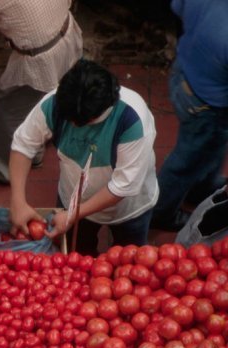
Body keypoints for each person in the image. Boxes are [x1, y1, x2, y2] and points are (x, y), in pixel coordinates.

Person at [9, 59, 159, 257]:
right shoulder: (57, 102)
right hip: (72, 196)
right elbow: (23, 144)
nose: (72, 125)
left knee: (128, 262)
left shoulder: (132, 120)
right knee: (79, 257)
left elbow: (123, 185)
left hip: (129, 208)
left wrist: (73, 214)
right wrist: (17, 200)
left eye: (80, 122)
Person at [0, 0, 82, 184]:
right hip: (65, 33)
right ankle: (34, 153)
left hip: (39, 59)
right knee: (43, 100)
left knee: (11, 110)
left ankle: (6, 170)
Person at [150, 0, 228, 232]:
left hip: (184, 73)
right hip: (207, 105)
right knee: (186, 160)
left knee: (212, 147)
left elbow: (177, 7)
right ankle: (161, 212)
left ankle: (201, 187)